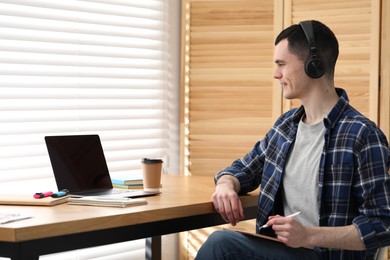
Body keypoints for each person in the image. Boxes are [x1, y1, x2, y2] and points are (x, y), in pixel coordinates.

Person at [195, 20, 390, 260]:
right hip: (282, 253)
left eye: (281, 64)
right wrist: (225, 184)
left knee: (222, 244)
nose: (276, 74)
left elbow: (382, 225)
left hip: (325, 257)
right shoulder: (285, 127)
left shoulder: (363, 135)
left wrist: (308, 236)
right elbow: (243, 169)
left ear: (313, 65)